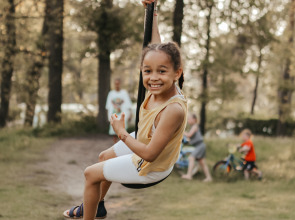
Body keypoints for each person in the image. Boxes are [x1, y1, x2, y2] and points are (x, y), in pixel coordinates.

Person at [63, 1, 187, 219]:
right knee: (103, 156)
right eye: (147, 71)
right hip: (145, 140)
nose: (153, 77)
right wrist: (153, 12)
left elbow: (149, 154)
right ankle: (97, 205)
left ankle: (89, 213)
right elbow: (155, 47)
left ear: (177, 73)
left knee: (90, 174)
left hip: (152, 165)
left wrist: (120, 131)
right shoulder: (157, 87)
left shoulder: (173, 109)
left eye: (161, 71)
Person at [181, 114, 212, 182]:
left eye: (189, 119)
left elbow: (189, 135)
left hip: (200, 145)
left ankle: (189, 175)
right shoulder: (193, 127)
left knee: (191, 158)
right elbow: (191, 138)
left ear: (194, 119)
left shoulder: (195, 126)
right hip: (200, 145)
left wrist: (182, 131)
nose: (188, 120)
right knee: (202, 163)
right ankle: (209, 177)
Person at [106, 78, 132, 143]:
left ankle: (123, 144)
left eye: (118, 83)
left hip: (122, 114)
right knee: (114, 131)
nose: (117, 85)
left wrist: (130, 114)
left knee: (123, 131)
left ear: (120, 84)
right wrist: (108, 116)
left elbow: (128, 104)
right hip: (114, 114)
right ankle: (115, 144)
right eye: (116, 84)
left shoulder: (124, 93)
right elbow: (108, 106)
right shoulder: (111, 93)